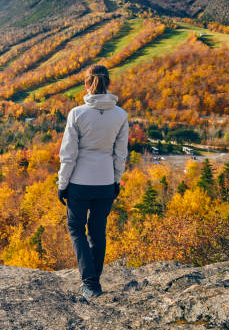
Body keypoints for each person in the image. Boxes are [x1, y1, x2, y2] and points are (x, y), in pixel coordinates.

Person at [57, 64, 129, 299]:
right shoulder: (120, 115)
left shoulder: (77, 113)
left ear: (87, 84)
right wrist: (116, 181)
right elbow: (120, 154)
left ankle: (89, 283)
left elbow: (68, 154)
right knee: (98, 231)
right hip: (106, 182)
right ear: (108, 84)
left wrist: (62, 184)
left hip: (79, 183)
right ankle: (93, 281)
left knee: (76, 228)